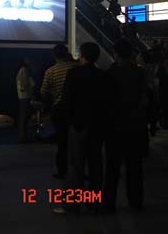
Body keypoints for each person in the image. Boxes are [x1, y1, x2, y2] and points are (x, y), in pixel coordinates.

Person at [56, 42, 110, 214]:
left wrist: (69, 120)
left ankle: (72, 205)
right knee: (96, 166)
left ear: (82, 55)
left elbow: (66, 100)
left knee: (76, 166)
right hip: (98, 127)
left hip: (78, 126)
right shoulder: (104, 76)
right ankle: (93, 203)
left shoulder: (73, 74)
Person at [103, 39, 148, 213]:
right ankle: (136, 202)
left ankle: (109, 204)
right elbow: (145, 99)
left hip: (114, 126)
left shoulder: (109, 73)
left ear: (115, 53)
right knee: (134, 167)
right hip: (135, 126)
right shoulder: (140, 73)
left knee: (112, 168)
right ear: (131, 54)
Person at [40, 44, 78, 179]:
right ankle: (78, 170)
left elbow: (43, 92)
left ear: (54, 55)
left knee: (62, 142)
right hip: (76, 109)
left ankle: (62, 170)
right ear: (67, 53)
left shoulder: (50, 71)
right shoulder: (75, 68)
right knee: (76, 142)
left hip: (59, 109)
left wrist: (53, 95)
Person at [16, 58, 34, 143]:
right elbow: (23, 85)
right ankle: (23, 137)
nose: (30, 61)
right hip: (25, 97)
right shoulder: (23, 70)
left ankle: (23, 137)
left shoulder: (23, 70)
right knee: (24, 117)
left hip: (24, 96)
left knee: (24, 117)